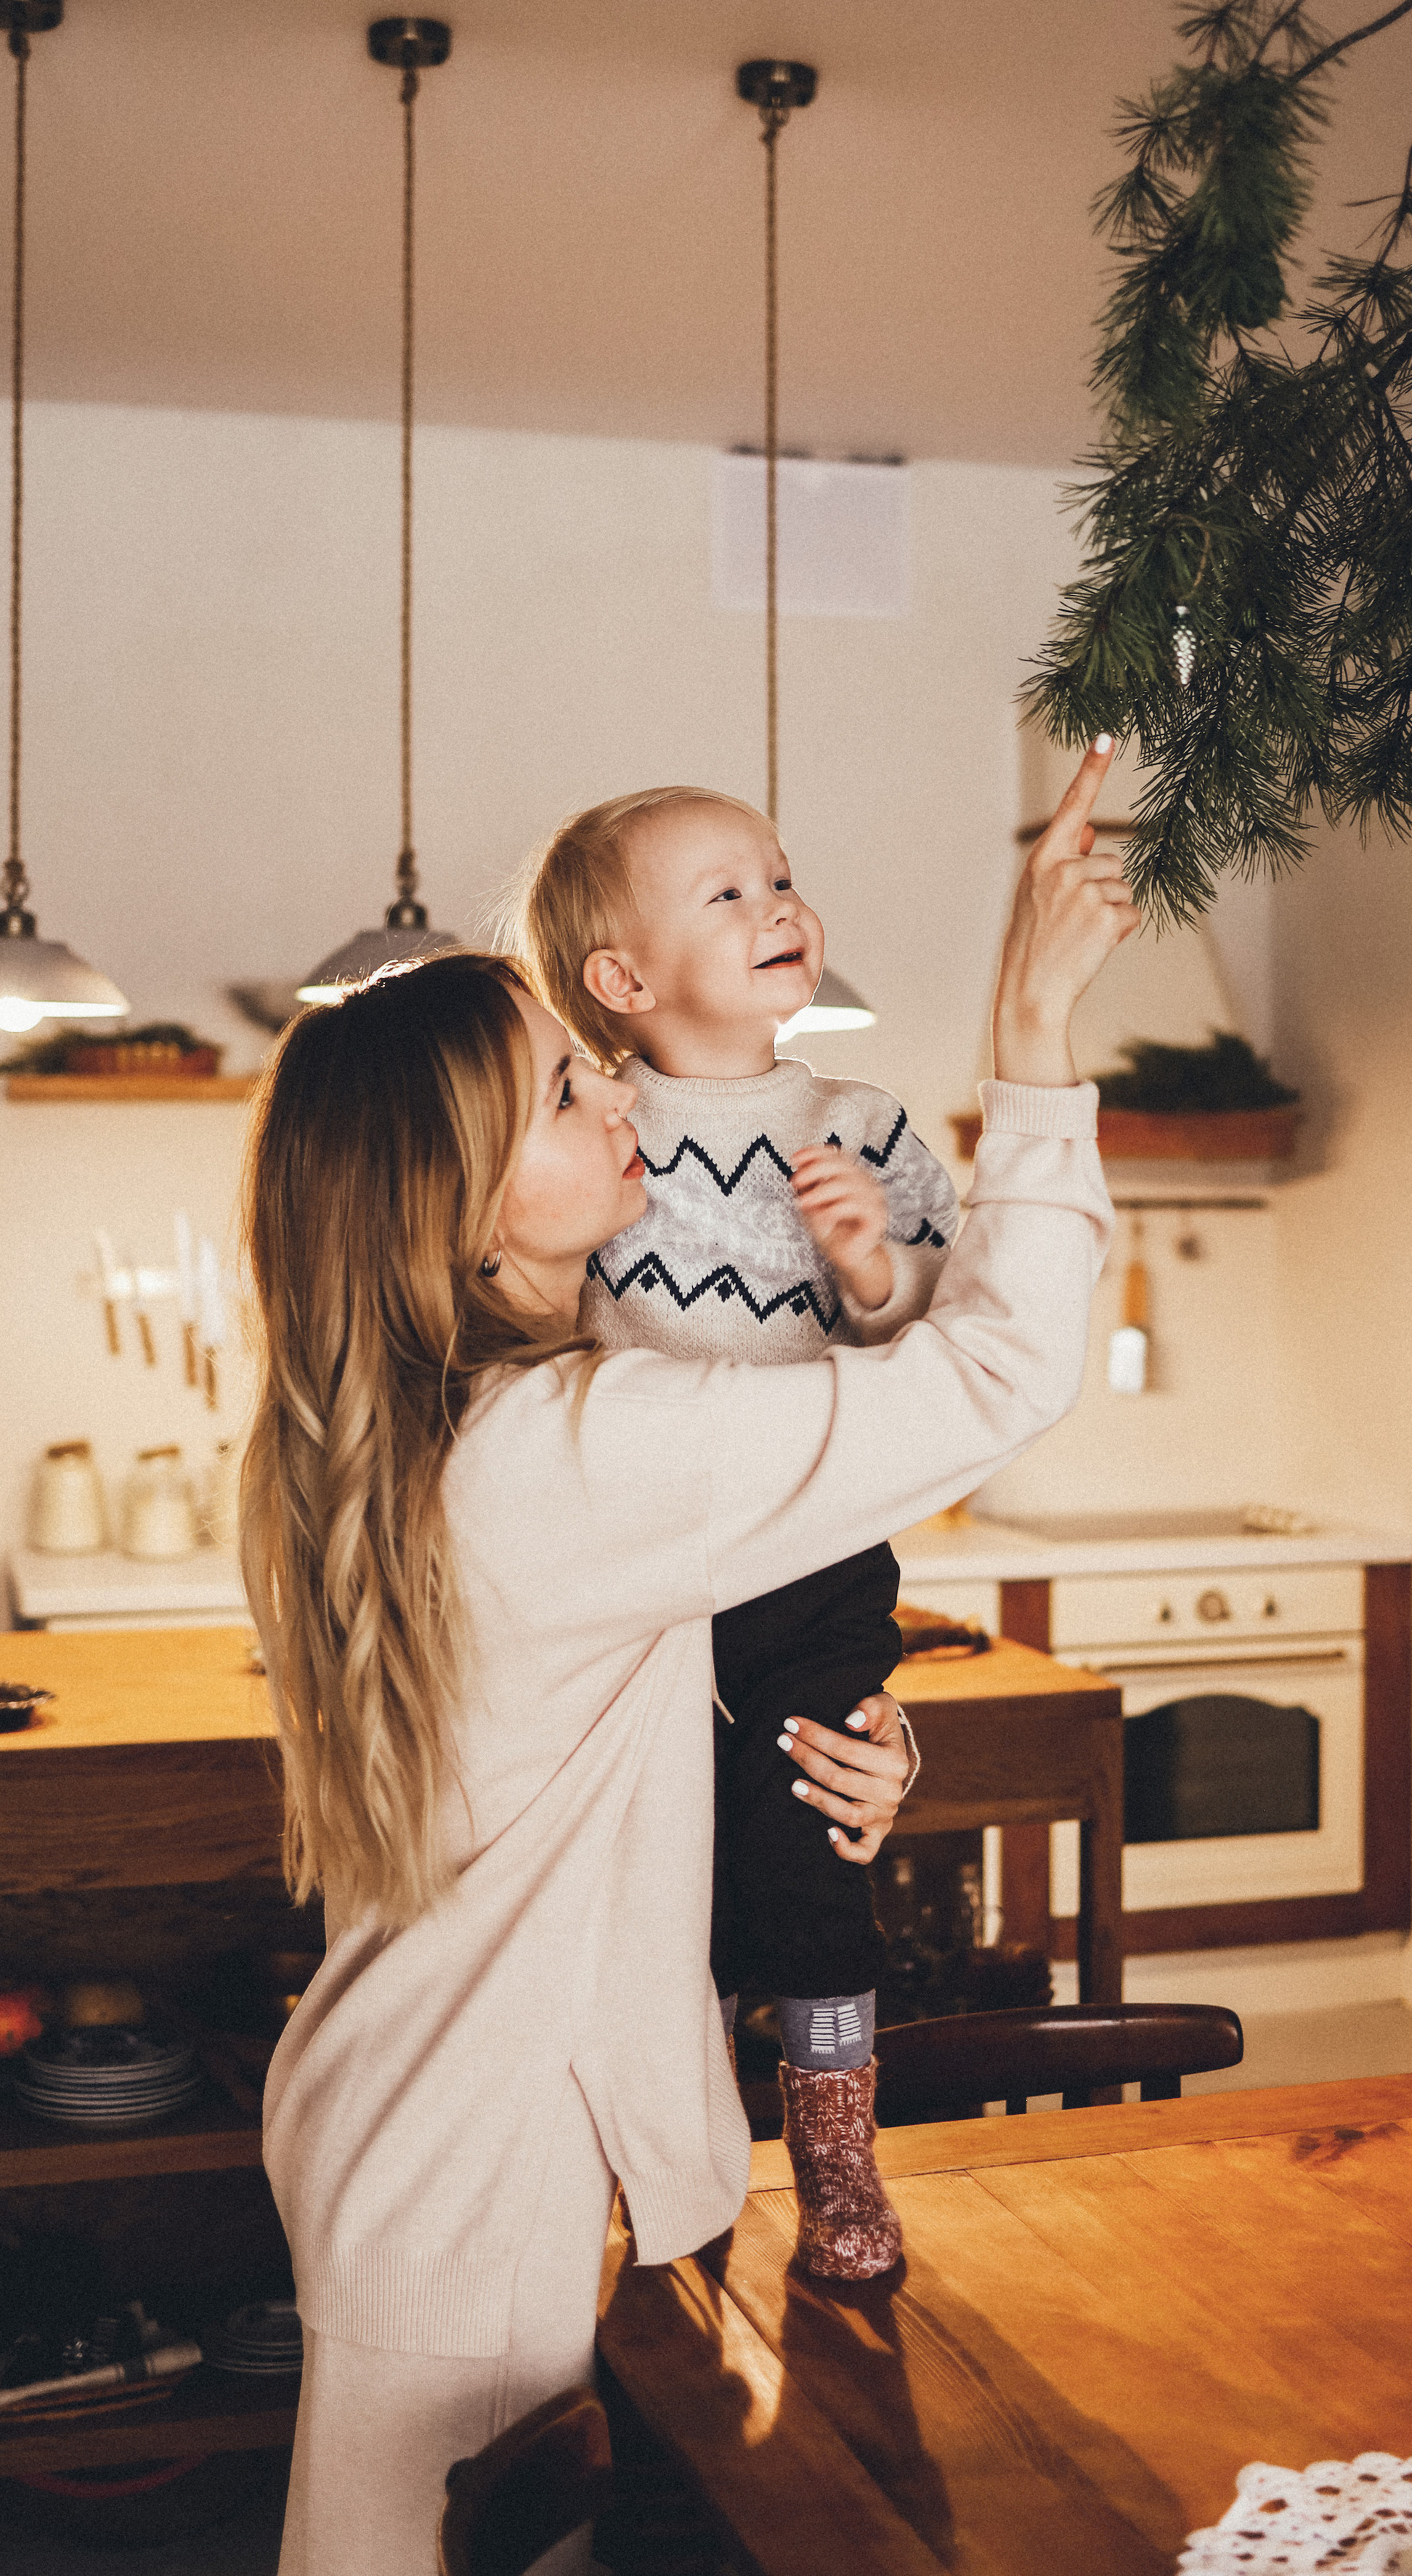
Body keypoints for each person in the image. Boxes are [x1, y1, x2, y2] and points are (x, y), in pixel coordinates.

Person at [242, 742, 1134, 2576]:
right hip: (482, 2173)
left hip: (441, 2130)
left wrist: (834, 1742)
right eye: (568, 1088)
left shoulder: (457, 1428)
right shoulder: (563, 1450)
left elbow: (618, 1712)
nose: (618, 1095)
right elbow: (993, 1376)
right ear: (466, 1197)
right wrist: (1033, 1029)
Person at [504, 782, 962, 2279]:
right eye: (727, 894)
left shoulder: (862, 1122)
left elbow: (942, 1341)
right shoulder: (596, 1128)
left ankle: (836, 2163)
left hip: (814, 1559)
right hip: (646, 1571)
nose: (780, 908)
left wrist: (870, 1266)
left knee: (811, 1855)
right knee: (662, 1880)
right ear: (621, 981)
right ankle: (677, 2165)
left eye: (781, 877)